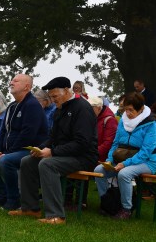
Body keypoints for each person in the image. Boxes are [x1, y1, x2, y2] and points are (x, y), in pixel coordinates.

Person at [10, 77, 98, 224]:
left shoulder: (83, 108)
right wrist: (42, 148)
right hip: (64, 154)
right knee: (27, 161)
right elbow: (53, 137)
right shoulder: (59, 109)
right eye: (51, 97)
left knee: (47, 164)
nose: (53, 100)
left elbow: (82, 143)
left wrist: (52, 152)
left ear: (67, 91)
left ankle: (56, 215)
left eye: (55, 96)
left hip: (83, 157)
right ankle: (30, 208)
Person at [0, 73, 48, 210]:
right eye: (11, 80)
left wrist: (8, 153)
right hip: (9, 150)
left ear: (27, 87)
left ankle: (14, 199)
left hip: (29, 150)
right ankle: (2, 195)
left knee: (6, 161)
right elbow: (3, 131)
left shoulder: (32, 105)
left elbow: (28, 134)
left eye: (16, 81)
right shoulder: (12, 106)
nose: (11, 82)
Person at [93, 92, 156, 220]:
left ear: (140, 109)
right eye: (125, 109)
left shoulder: (151, 125)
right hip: (121, 159)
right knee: (99, 171)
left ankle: (126, 209)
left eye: (131, 110)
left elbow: (146, 151)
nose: (127, 113)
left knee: (124, 174)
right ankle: (107, 203)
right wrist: (109, 160)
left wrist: (125, 164)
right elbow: (115, 143)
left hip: (148, 161)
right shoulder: (123, 121)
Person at [90, 95, 118, 162]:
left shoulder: (110, 120)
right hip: (91, 155)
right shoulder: (92, 118)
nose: (89, 111)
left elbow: (108, 144)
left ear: (99, 108)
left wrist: (90, 153)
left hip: (101, 159)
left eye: (91, 108)